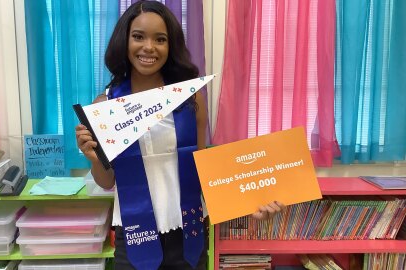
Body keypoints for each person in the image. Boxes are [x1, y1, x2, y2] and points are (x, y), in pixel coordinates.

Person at [76, 1, 285, 269]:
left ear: (170, 46)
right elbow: (107, 182)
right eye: (138, 37)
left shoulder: (190, 98)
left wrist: (249, 201)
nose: (149, 47)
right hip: (134, 233)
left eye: (160, 39)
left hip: (189, 231)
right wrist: (94, 159)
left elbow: (202, 169)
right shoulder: (105, 104)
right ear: (124, 41)